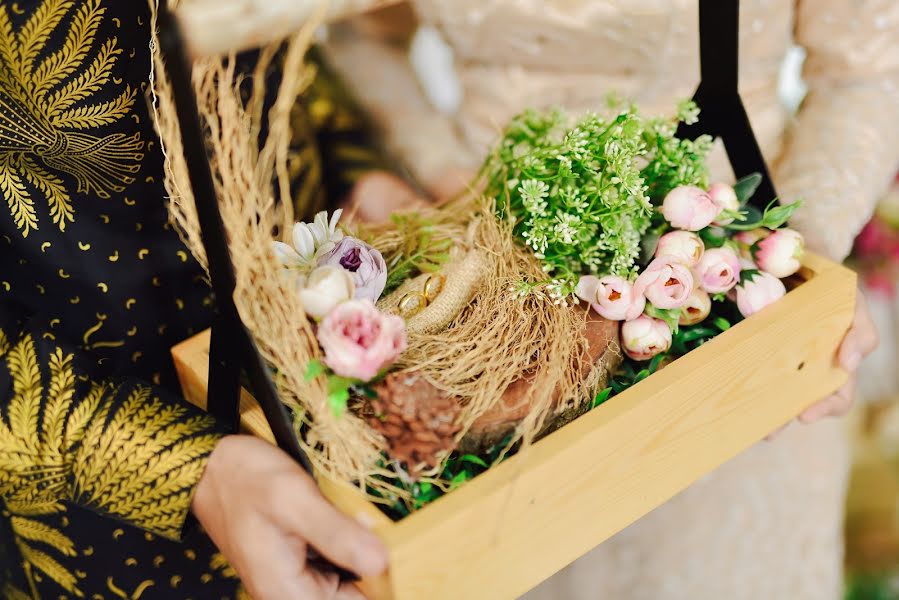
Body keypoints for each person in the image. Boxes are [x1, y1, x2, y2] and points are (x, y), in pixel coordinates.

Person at [322, 1, 893, 597]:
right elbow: (360, 36)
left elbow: (865, 70)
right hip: (496, 322)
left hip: (721, 305)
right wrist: (449, 177)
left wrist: (803, 255)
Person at [0, 1, 419, 598]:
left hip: (330, 357)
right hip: (106, 508)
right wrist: (185, 468)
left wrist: (353, 163)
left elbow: (267, 36)